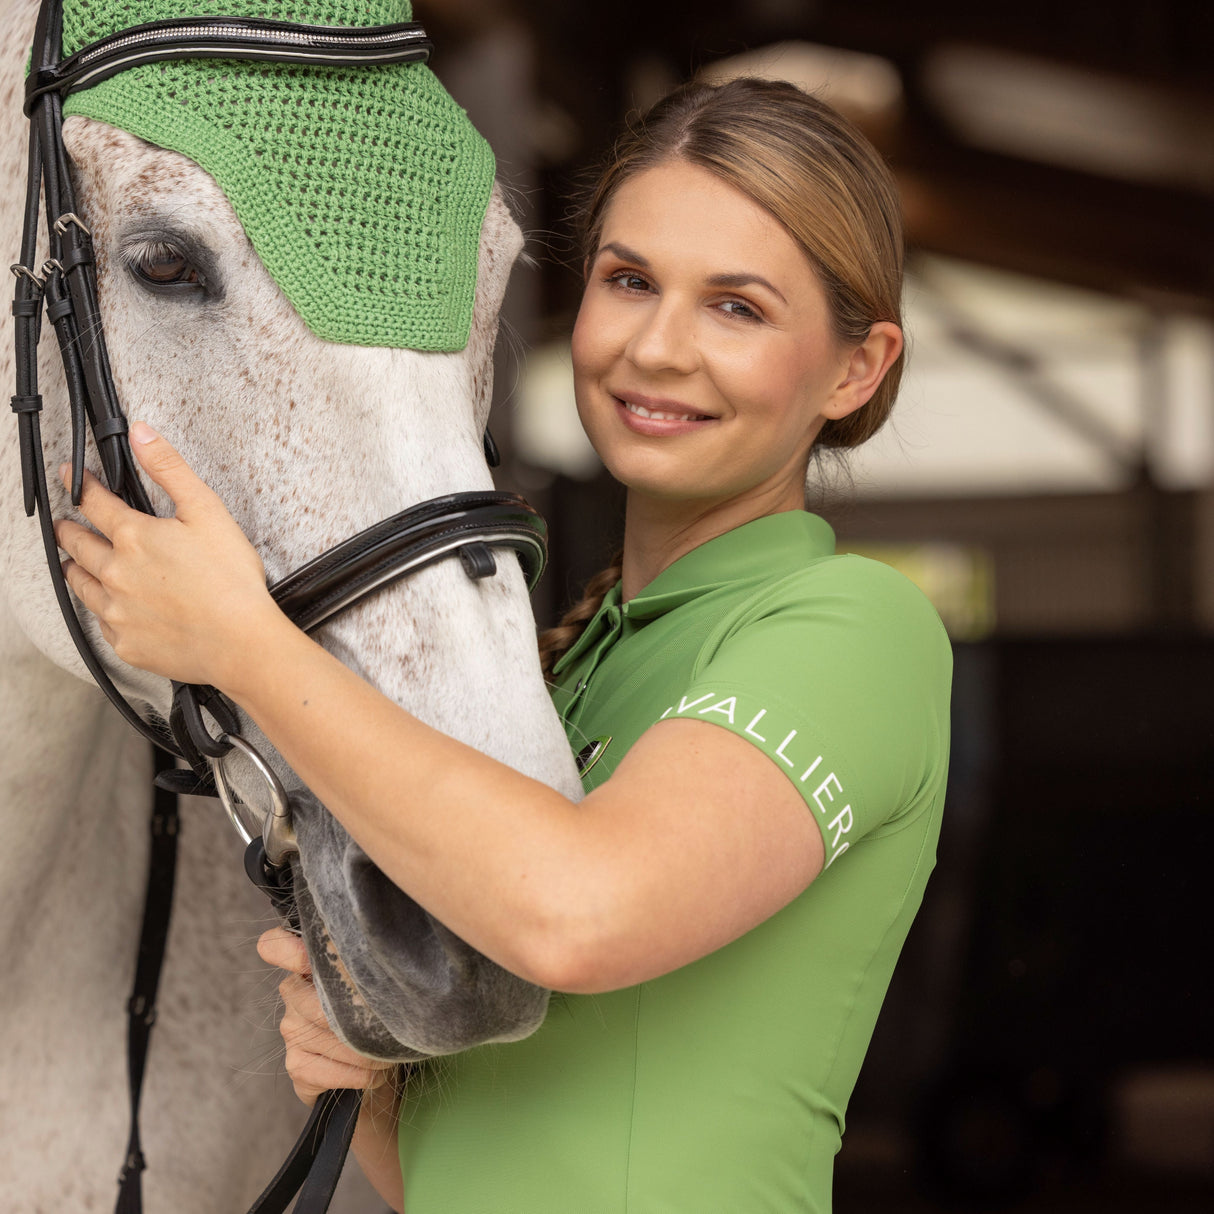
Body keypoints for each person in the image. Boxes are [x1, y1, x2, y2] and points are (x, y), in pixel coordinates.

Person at [56, 77, 952, 1213]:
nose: (657, 347)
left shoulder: (856, 627)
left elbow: (579, 915)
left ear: (856, 367)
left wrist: (244, 644)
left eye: (736, 307)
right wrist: (369, 1088)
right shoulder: (558, 679)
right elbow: (474, 1175)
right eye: (630, 281)